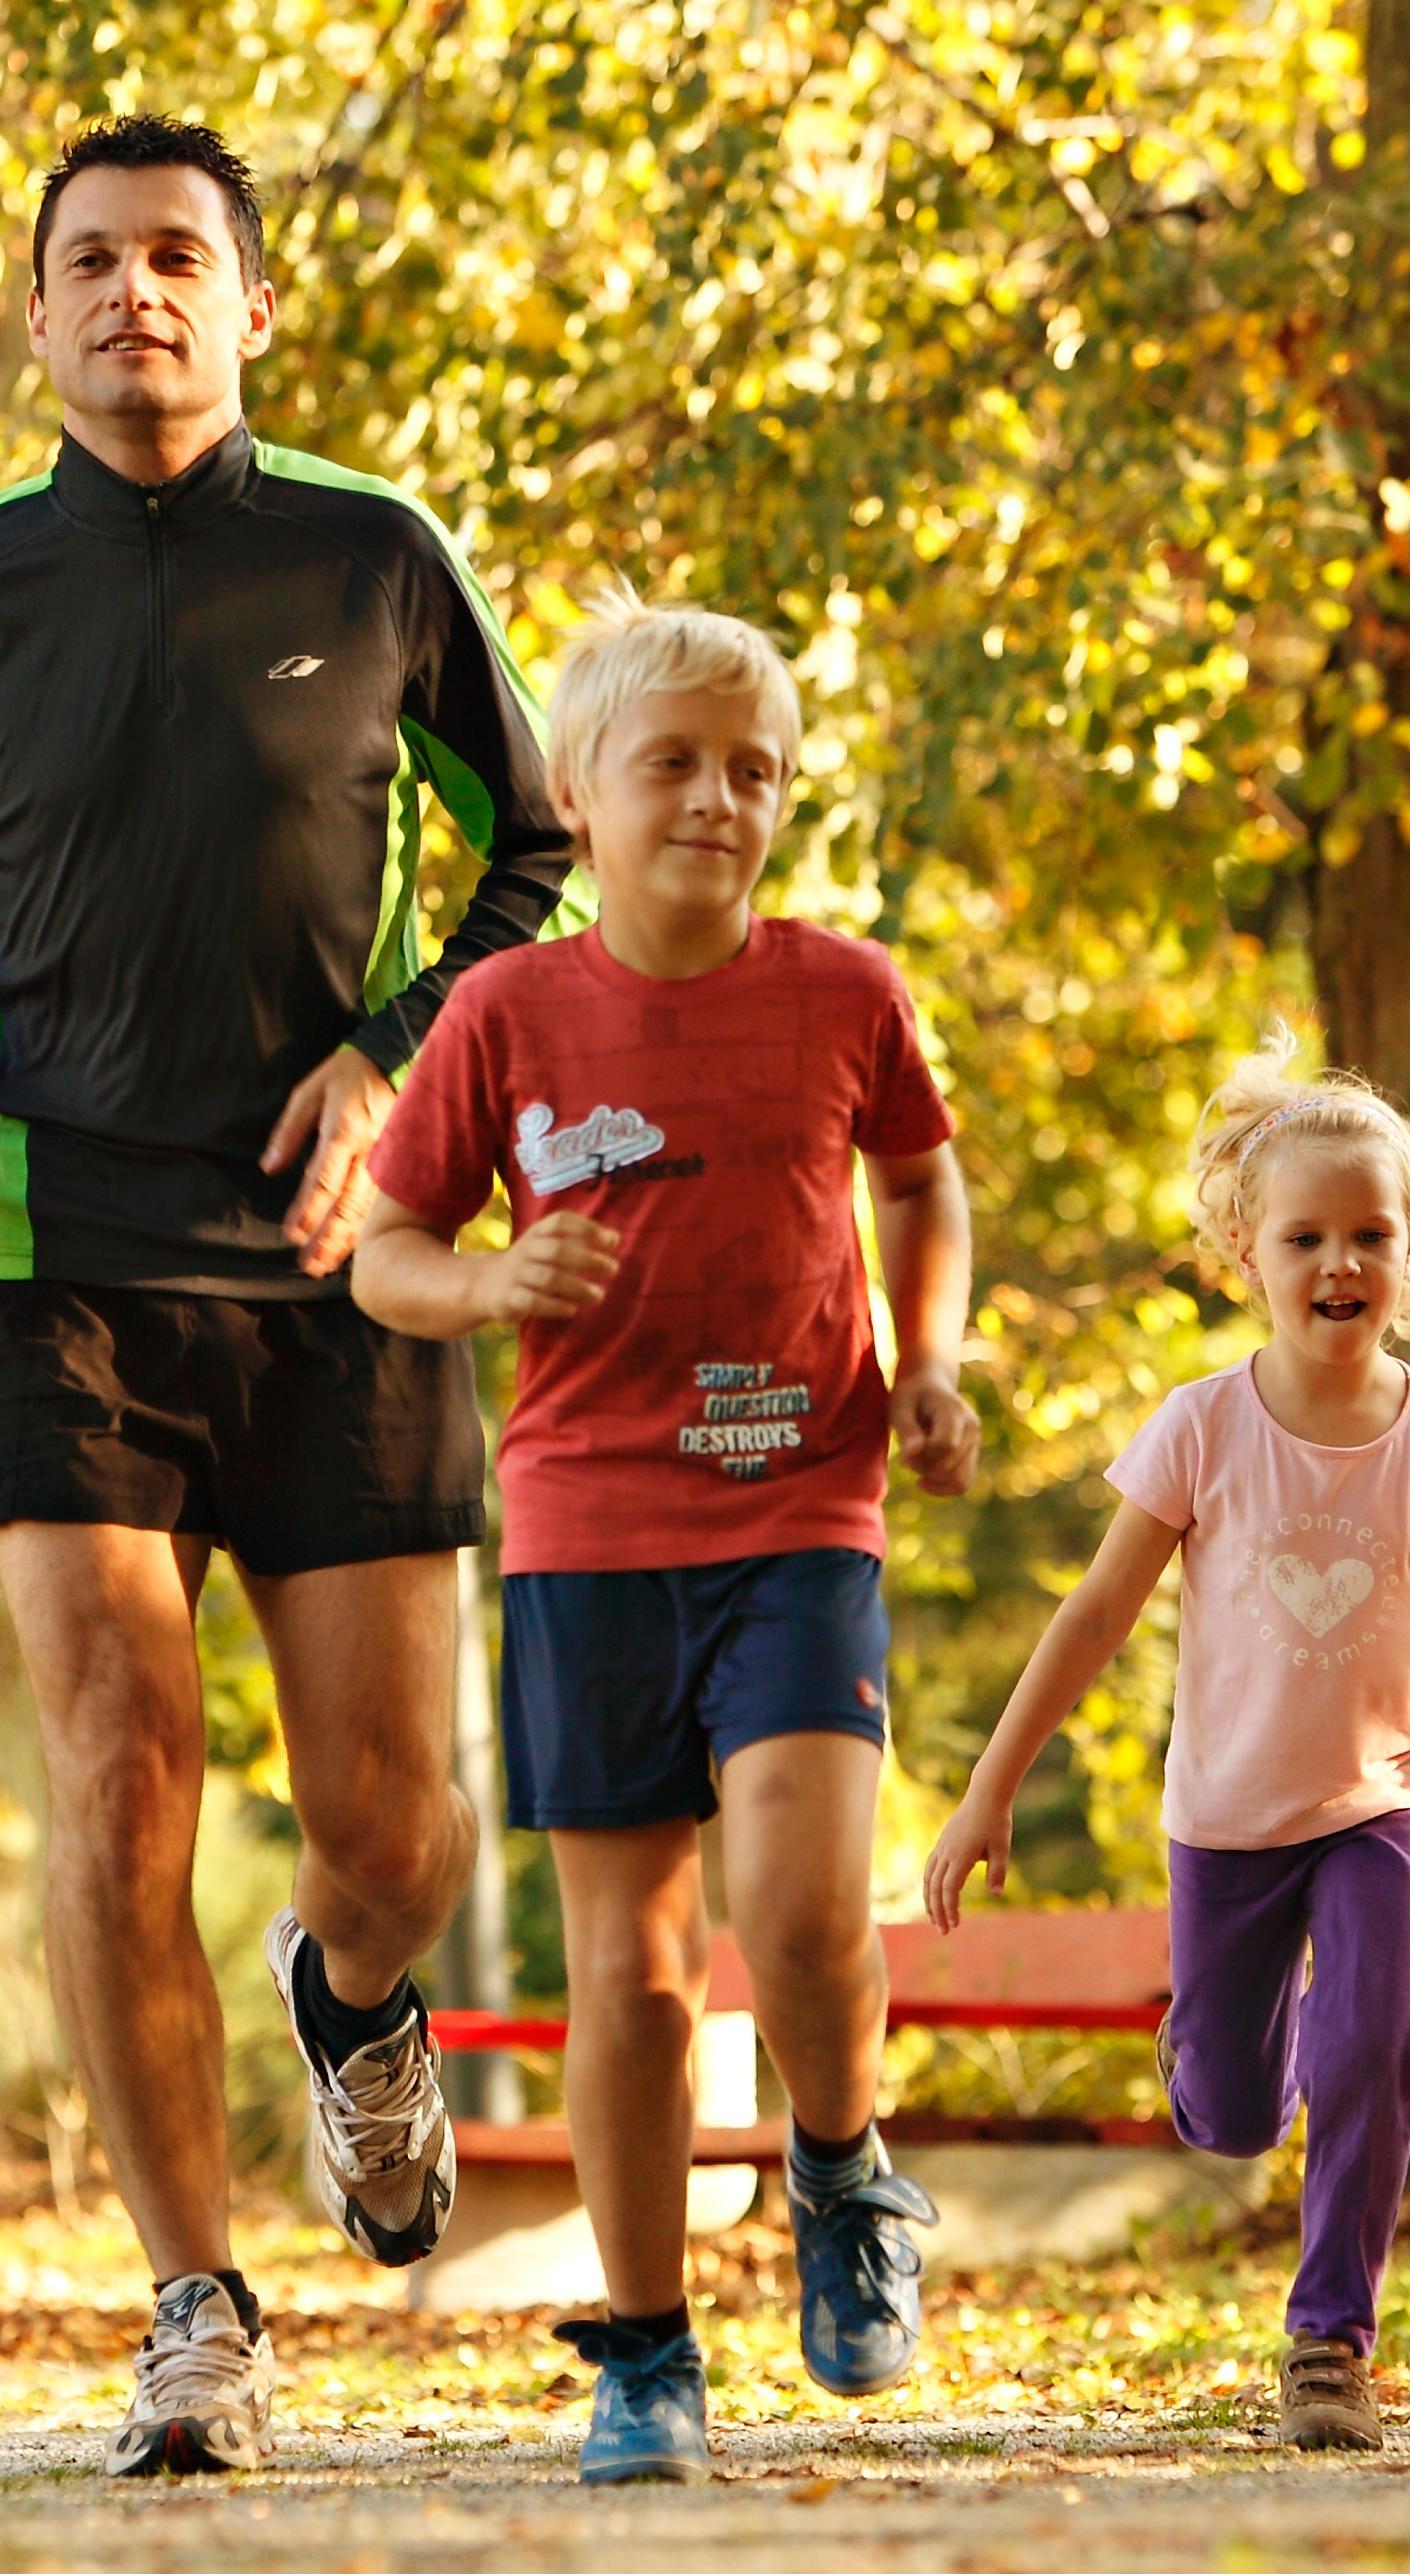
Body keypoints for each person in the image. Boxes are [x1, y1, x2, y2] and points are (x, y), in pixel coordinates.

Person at [0, 115, 579, 2475]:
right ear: (34, 314)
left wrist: (397, 1069)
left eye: (179, 256)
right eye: (88, 261)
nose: (135, 294)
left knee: (393, 1835)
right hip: (48, 1246)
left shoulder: (376, 559)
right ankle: (193, 2306)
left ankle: (349, 2000)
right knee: (119, 1771)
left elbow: (543, 856)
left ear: (251, 303)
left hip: (331, 1271)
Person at [349, 591, 979, 2485]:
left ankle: (841, 2163)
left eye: (755, 771)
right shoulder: (508, 1011)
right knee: (625, 1969)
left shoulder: (843, 989)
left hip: (802, 1504)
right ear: (580, 788)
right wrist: (484, 1280)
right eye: (676, 765)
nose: (719, 799)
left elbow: (921, 1177)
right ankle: (641, 2348)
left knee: (795, 1918)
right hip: (586, 1524)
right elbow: (381, 1254)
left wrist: (930, 1355)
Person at [920, 1041, 1410, 2454]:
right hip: (1225, 1819)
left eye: (1370, 1235)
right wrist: (987, 1791)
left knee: (1376, 2037)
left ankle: (1329, 2341)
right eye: (1306, 1236)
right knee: (1224, 2110)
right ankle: (1213, 2051)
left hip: (1384, 1801)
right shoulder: (1200, 1428)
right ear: (1244, 1253)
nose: (1341, 1260)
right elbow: (1093, 1614)